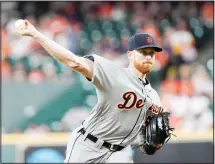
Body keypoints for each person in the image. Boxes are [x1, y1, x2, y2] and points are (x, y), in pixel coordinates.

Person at [15, 19, 173, 163]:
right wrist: (36, 34)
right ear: (130, 55)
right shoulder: (113, 73)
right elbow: (74, 62)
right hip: (88, 144)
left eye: (152, 53)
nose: (149, 57)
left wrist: (154, 141)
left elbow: (147, 133)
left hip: (119, 153)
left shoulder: (153, 96)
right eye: (143, 52)